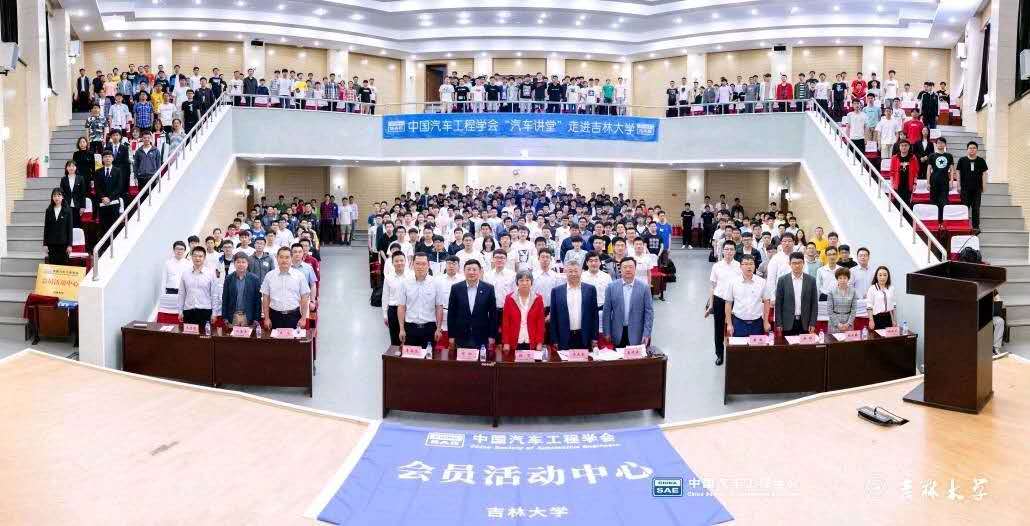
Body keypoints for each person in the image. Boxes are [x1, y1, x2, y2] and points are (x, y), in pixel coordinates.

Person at [602, 257, 654, 347]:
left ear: (635, 269)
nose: (628, 269)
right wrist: (606, 332)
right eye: (625, 267)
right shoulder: (611, 287)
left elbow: (649, 312)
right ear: (620, 269)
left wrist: (647, 333)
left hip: (637, 333)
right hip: (617, 333)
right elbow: (606, 312)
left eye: (631, 267)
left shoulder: (644, 287)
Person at [447, 260, 498, 349]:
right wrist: (451, 335)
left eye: (474, 269)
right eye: (468, 269)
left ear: (480, 271)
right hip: (461, 336)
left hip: (482, 336)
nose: (471, 272)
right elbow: (451, 313)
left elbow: (493, 314)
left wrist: (492, 335)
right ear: (464, 271)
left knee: (481, 358)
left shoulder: (489, 288)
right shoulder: (456, 288)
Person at [724, 254, 769, 352]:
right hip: (739, 323)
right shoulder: (733, 282)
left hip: (757, 324)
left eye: (751, 264)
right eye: (745, 264)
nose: (749, 266)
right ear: (740, 266)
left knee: (757, 351)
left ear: (755, 266)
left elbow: (766, 302)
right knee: (739, 351)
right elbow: (728, 303)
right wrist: (729, 324)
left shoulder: (762, 282)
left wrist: (766, 322)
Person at [549, 264, 599, 350]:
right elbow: (553, 317)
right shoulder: (556, 291)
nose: (573, 274)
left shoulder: (590, 289)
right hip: (564, 338)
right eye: (570, 271)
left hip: (585, 337)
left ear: (581, 272)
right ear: (565, 273)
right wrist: (555, 339)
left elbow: (594, 315)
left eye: (576, 271)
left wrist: (594, 337)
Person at [260, 246, 311, 330]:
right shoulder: (269, 275)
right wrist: (266, 318)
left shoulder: (299, 276)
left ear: (291, 258)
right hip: (274, 316)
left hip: (294, 316)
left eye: (287, 257)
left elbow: (304, 298)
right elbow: (265, 298)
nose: (284, 260)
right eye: (281, 257)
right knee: (274, 338)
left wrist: (303, 318)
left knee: (293, 338)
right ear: (277, 258)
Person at [706, 241, 741, 363]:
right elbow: (712, 286)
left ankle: (735, 353)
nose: (729, 252)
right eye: (727, 249)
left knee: (735, 326)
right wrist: (711, 305)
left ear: (735, 251)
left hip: (735, 301)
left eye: (731, 249)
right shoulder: (717, 266)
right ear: (723, 251)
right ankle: (719, 354)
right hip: (719, 300)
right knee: (719, 327)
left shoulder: (739, 266)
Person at [397, 253, 441, 348]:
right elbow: (401, 307)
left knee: (428, 356)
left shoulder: (436, 283)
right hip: (410, 327)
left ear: (428, 265)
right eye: (417, 263)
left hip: (429, 328)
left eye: (423, 264)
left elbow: (439, 307)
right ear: (412, 264)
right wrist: (401, 329)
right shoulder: (405, 283)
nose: (420, 267)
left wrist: (438, 328)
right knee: (410, 356)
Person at [774, 252, 819, 336]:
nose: (797, 265)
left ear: (803, 263)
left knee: (805, 344)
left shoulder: (811, 280)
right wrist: (779, 323)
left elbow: (814, 304)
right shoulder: (782, 280)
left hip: (805, 323)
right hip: (787, 323)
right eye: (794, 263)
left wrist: (813, 323)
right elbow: (778, 304)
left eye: (799, 263)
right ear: (789, 264)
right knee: (787, 344)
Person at [500, 270, 546, 352]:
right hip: (514, 341)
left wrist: (539, 342)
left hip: (532, 340)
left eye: (527, 280)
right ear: (517, 282)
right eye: (521, 280)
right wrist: (506, 342)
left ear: (531, 282)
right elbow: (506, 322)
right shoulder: (509, 298)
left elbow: (540, 322)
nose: (524, 283)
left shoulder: (538, 299)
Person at [178, 246, 221, 326]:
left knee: (205, 334)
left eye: (200, 256)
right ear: (191, 257)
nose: (197, 258)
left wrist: (214, 313)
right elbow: (181, 294)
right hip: (188, 311)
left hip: (205, 311)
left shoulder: (210, 274)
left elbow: (214, 294)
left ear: (204, 258)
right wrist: (180, 311)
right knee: (188, 334)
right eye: (195, 256)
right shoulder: (185, 274)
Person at [220, 253, 262, 327]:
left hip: (248, 316)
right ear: (234, 263)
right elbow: (225, 299)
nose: (241, 264)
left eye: (243, 262)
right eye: (238, 262)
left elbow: (257, 301)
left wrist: (256, 318)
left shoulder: (254, 279)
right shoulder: (229, 278)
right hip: (233, 316)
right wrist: (225, 317)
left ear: (247, 264)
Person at [381, 250, 411, 345]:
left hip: (408, 310)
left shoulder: (411, 275)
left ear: (405, 261)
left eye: (401, 260)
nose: (399, 263)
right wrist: (385, 314)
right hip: (393, 310)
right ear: (392, 263)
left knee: (409, 338)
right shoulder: (388, 277)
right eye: (396, 261)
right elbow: (385, 296)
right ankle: (395, 353)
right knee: (395, 339)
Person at [957, 141, 988, 230]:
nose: (972, 150)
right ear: (967, 149)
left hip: (977, 189)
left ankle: (976, 227)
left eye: (974, 148)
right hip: (965, 189)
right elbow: (958, 172)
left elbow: (984, 174)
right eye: (970, 148)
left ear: (977, 150)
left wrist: (984, 185)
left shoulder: (981, 160)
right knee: (964, 208)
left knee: (976, 208)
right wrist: (958, 185)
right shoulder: (962, 160)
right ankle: (964, 226)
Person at [95, 150, 126, 239]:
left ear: (113, 158)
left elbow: (119, 187)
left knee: (114, 226)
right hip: (102, 203)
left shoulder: (118, 171)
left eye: (109, 156)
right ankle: (105, 245)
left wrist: (109, 198)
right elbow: (97, 187)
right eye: (105, 157)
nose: (107, 158)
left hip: (114, 203)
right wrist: (103, 197)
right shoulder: (98, 171)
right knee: (104, 226)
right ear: (102, 159)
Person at [926, 137, 956, 222]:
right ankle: (934, 221)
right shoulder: (932, 155)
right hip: (934, 181)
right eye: (938, 143)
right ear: (936, 144)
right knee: (933, 201)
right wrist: (928, 182)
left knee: (944, 201)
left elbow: (952, 169)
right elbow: (928, 170)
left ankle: (942, 221)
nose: (940, 144)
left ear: (945, 144)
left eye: (942, 143)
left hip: (945, 181)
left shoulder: (949, 156)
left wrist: (951, 181)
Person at [43, 188, 74, 265]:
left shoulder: (68, 210)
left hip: (64, 244)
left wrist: (70, 245)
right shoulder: (48, 210)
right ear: (52, 197)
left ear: (62, 197)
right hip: (51, 244)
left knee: (63, 267)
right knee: (53, 266)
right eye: (54, 196)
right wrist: (45, 244)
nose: (56, 198)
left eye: (59, 195)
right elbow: (46, 228)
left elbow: (69, 229)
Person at [890, 140, 919, 211]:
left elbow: (915, 172)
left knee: (907, 204)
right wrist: (892, 184)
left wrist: (915, 183)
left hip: (908, 184)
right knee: (897, 204)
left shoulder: (913, 158)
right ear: (899, 147)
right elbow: (891, 172)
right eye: (902, 145)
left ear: (909, 147)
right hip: (898, 184)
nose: (904, 147)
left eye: (906, 145)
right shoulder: (894, 158)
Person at [866, 265, 897, 330]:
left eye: (885, 275)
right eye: (880, 275)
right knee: (877, 336)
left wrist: (894, 320)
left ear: (888, 276)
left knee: (889, 336)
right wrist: (871, 320)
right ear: (876, 276)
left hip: (888, 317)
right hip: (877, 318)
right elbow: (869, 306)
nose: (882, 277)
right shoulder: (872, 289)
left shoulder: (891, 288)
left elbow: (893, 305)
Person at [828, 267, 858, 332]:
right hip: (834, 323)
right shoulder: (831, 291)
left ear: (848, 279)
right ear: (837, 279)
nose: (842, 280)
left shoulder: (853, 291)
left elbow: (854, 309)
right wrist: (838, 324)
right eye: (840, 278)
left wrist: (848, 323)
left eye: (845, 278)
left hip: (848, 323)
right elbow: (829, 310)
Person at [59, 160, 86, 229]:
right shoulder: (63, 179)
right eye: (69, 166)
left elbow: (83, 193)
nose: (71, 168)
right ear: (66, 168)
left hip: (77, 205)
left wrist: (83, 206)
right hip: (67, 206)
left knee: (76, 225)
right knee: (67, 225)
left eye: (73, 166)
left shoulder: (80, 178)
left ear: (76, 168)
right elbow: (62, 193)